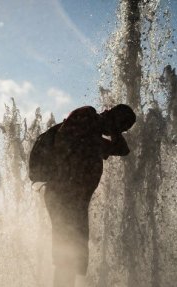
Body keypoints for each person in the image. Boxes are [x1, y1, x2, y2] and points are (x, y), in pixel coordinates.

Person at [43, 104, 136, 287]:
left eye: (123, 130)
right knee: (67, 254)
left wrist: (114, 130)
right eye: (121, 126)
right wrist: (109, 126)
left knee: (74, 255)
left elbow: (123, 150)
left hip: (76, 202)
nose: (120, 132)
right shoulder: (87, 115)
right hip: (63, 196)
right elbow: (65, 139)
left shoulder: (95, 139)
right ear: (112, 115)